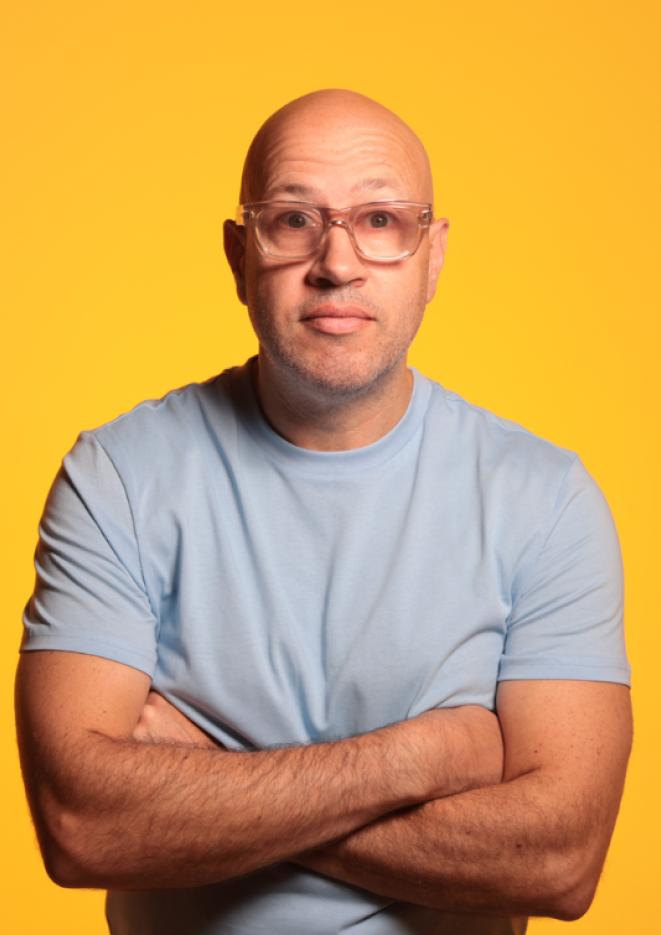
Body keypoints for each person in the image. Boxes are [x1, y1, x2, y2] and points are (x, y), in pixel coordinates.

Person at [15, 89, 632, 935]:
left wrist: (209, 780)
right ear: (239, 255)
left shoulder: (545, 499)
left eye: (381, 220)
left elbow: (559, 863)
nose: (337, 262)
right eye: (293, 218)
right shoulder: (118, 476)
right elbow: (83, 827)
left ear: (433, 256)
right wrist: (426, 755)